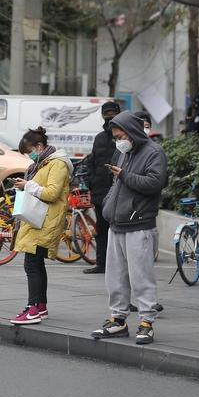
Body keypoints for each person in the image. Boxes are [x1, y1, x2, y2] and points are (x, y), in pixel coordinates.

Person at [90, 111, 167, 345]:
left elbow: (155, 183)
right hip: (117, 223)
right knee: (115, 276)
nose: (117, 141)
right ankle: (118, 319)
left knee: (141, 277)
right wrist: (109, 204)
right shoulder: (124, 152)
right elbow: (117, 182)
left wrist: (124, 176)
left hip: (139, 225)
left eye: (120, 135)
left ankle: (146, 323)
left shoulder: (154, 152)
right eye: (114, 137)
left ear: (132, 132)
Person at [9, 127, 73, 325]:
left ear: (39, 146)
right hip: (39, 220)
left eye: (30, 152)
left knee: (32, 265)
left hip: (45, 221)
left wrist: (27, 186)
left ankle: (33, 308)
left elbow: (52, 193)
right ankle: (40, 306)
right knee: (36, 264)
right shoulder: (43, 163)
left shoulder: (57, 164)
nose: (30, 156)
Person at [82, 101, 120, 275]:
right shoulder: (99, 138)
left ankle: (118, 265)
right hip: (99, 191)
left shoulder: (124, 138)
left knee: (118, 231)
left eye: (113, 112)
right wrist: (88, 181)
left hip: (118, 191)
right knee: (101, 230)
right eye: (107, 113)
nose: (110, 116)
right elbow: (93, 161)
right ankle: (101, 264)